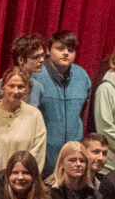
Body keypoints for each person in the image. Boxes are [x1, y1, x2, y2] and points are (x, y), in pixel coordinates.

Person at [30, 32, 92, 172]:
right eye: (60, 49)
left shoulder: (82, 76)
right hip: (43, 154)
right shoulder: (36, 75)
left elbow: (83, 112)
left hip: (73, 155)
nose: (66, 53)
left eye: (70, 50)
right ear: (48, 50)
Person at [0, 68, 47, 178]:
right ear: (3, 86)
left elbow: (37, 154)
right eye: (11, 86)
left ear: (26, 90)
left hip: (20, 180)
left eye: (20, 87)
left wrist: (19, 177)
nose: (16, 91)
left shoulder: (34, 115)